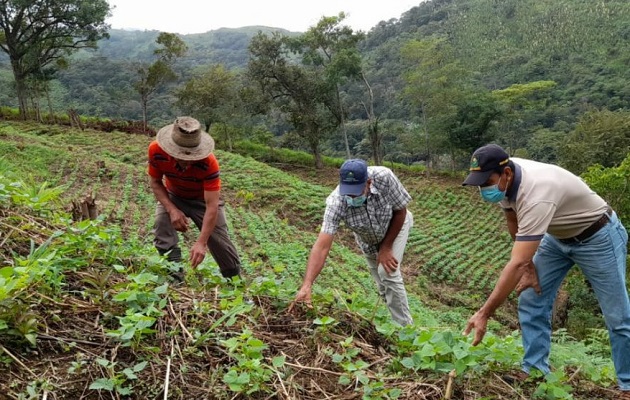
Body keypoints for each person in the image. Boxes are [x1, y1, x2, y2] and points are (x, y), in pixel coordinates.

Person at [461, 144, 630, 396]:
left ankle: (627, 384)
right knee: (531, 296)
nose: (483, 188)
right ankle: (535, 369)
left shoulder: (538, 192)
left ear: (506, 173)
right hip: (555, 237)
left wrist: (484, 312)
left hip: (597, 236)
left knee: (617, 317)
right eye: (479, 183)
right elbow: (512, 218)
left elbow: (515, 262)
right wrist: (529, 266)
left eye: (487, 182)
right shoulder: (506, 177)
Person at [289, 159, 414, 326]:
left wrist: (386, 247)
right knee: (384, 288)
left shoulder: (384, 177)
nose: (351, 197)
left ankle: (406, 330)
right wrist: (307, 284)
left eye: (356, 192)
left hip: (395, 226)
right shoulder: (336, 202)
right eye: (348, 192)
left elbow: (400, 211)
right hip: (368, 240)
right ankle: (394, 323)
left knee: (387, 272)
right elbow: (322, 246)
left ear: (369, 183)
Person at [148, 116, 241, 281]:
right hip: (174, 195)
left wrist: (201, 242)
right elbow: (155, 182)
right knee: (162, 225)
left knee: (220, 242)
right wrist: (172, 209)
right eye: (180, 155)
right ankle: (175, 276)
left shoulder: (209, 163)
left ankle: (235, 283)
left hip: (202, 201)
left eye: (190, 156)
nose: (185, 161)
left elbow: (212, 206)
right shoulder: (156, 150)